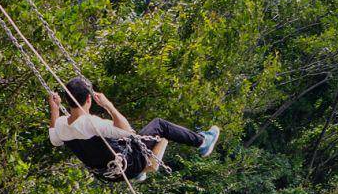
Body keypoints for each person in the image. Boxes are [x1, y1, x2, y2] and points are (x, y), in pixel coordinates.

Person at [48, 76, 219, 182]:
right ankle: (203, 142)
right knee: (160, 125)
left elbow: (54, 139)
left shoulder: (62, 125)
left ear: (67, 100)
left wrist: (54, 109)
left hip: (109, 175)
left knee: (119, 140)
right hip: (127, 165)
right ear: (88, 99)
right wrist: (109, 106)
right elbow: (127, 131)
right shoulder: (92, 124)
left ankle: (139, 173)